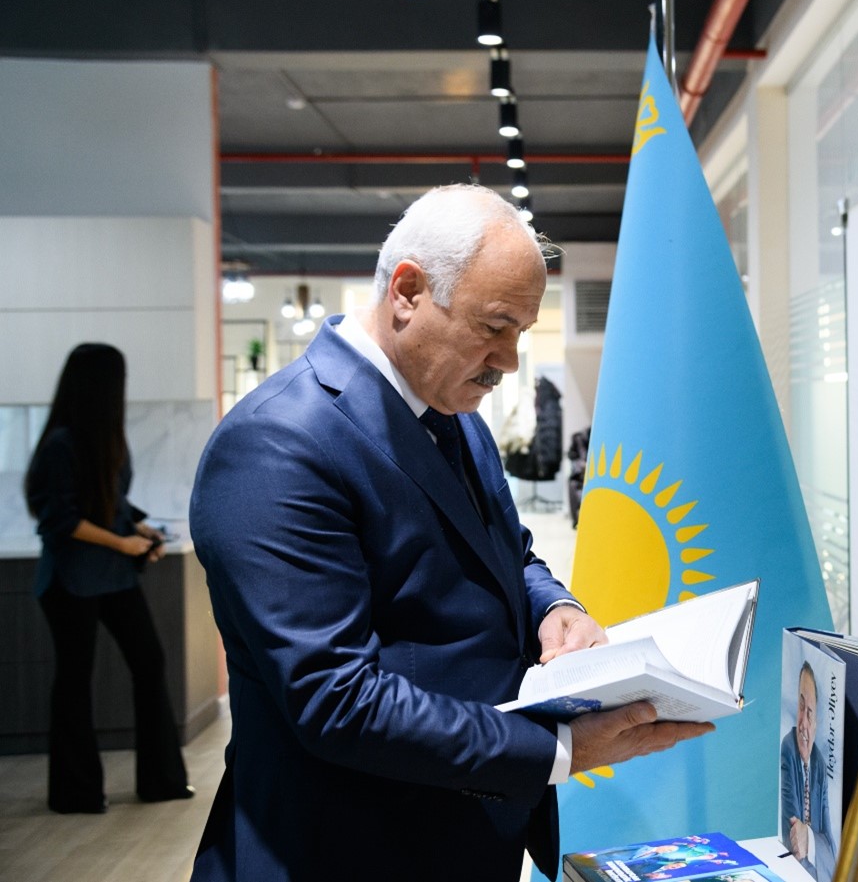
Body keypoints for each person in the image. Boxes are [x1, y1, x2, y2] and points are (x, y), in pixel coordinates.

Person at [188, 185, 712, 881]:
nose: (509, 360)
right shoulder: (276, 444)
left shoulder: (452, 413)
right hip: (342, 849)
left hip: (458, 834)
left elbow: (507, 552)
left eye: (521, 332)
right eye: (494, 326)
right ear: (407, 291)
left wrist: (554, 607)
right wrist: (558, 750)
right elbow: (335, 698)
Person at [23, 343, 192, 814]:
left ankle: (162, 781)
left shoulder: (105, 438)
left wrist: (140, 530)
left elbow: (110, 502)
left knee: (149, 663)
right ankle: (76, 793)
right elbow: (61, 520)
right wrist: (123, 544)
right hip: (70, 580)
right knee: (75, 680)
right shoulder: (61, 444)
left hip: (113, 577)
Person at [780, 661, 833, 880]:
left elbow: (831, 850)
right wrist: (815, 846)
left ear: (816, 724)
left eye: (809, 713)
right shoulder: (788, 748)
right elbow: (793, 842)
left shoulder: (819, 764)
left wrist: (809, 839)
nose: (802, 722)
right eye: (801, 707)